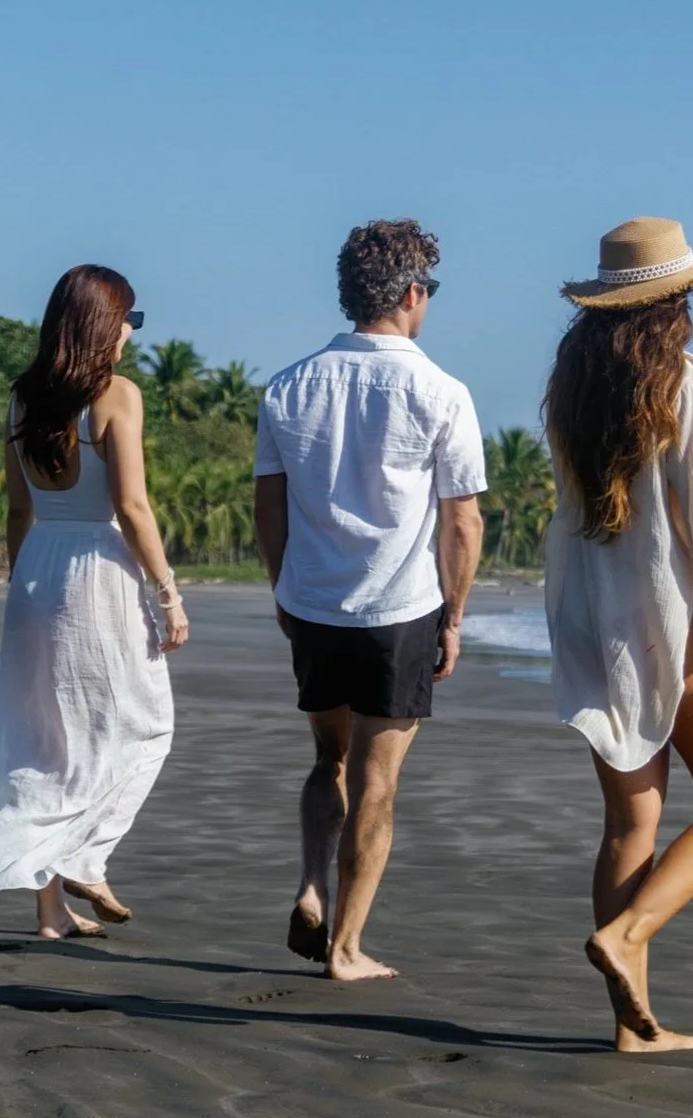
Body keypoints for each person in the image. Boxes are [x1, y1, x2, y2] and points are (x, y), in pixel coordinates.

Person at [542, 217, 693, 1055]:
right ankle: (629, 933)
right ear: (673, 301)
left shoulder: (570, 388)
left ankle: (632, 1027)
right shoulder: (680, 384)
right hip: (670, 625)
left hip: (589, 624)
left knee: (629, 828)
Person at [0, 265, 189, 939]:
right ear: (103, 323)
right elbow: (131, 504)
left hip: (37, 566)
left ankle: (50, 909)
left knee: (45, 732)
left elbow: (17, 507)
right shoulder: (116, 394)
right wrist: (168, 593)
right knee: (144, 724)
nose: (130, 334)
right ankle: (86, 855)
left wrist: (19, 583)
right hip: (96, 566)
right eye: (129, 319)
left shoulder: (21, 398)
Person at [255, 219, 485, 981]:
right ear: (413, 293)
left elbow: (269, 506)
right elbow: (460, 520)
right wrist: (454, 617)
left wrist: (282, 588)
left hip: (314, 605)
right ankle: (346, 948)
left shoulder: (287, 386)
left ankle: (310, 886)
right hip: (398, 610)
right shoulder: (441, 391)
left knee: (329, 760)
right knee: (377, 785)